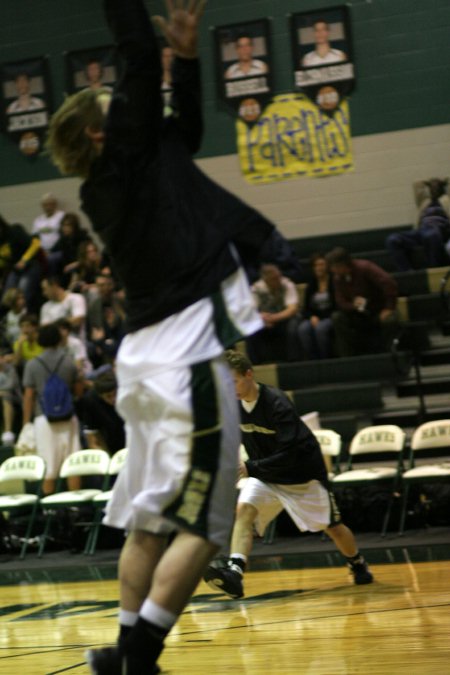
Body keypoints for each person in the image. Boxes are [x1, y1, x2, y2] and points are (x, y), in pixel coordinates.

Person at [46, 1, 299, 673]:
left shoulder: (130, 172)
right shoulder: (123, 158)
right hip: (186, 357)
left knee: (150, 523)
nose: (133, 108)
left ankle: (128, 647)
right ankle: (136, 654)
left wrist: (186, 56)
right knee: (208, 526)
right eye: (119, 108)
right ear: (103, 133)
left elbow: (182, 130)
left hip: (146, 360)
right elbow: (133, 53)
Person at [204, 350, 373, 599]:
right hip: (265, 474)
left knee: (332, 527)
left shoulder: (277, 403)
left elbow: (290, 453)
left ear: (249, 374)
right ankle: (235, 575)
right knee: (244, 511)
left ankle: (357, 562)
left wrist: (251, 468)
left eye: (234, 381)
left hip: (301, 474)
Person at [21, 322, 82, 495]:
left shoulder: (32, 364)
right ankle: (75, 508)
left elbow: (29, 396)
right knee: (72, 463)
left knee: (48, 466)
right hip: (68, 416)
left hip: (43, 418)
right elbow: (77, 391)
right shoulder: (69, 361)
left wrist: (26, 422)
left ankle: (50, 512)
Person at [326, 247, 399, 357]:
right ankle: (348, 358)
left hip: (378, 310)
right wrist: (353, 306)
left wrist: (389, 307)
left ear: (342, 265)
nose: (332, 270)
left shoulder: (365, 268)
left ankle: (389, 356)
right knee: (337, 317)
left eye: (333, 267)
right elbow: (340, 301)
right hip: (357, 313)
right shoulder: (337, 278)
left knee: (390, 320)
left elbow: (389, 284)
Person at [385, 178, 450, 271]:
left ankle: (432, 271)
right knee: (392, 239)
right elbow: (417, 186)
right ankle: (407, 272)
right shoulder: (425, 202)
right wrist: (427, 183)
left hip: (439, 229)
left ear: (442, 188)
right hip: (421, 230)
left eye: (436, 187)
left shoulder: (446, 200)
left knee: (431, 235)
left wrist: (445, 181)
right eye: (431, 187)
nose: (433, 189)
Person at [247, 263, 301, 364]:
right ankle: (255, 365)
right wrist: (261, 318)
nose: (278, 280)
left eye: (279, 276)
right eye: (274, 278)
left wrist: (273, 318)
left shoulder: (287, 284)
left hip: (285, 318)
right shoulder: (256, 289)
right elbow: (251, 311)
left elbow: (292, 309)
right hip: (265, 320)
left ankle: (293, 361)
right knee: (251, 329)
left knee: (292, 328)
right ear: (266, 280)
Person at [77, 368, 125, 455]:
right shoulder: (91, 401)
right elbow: (91, 437)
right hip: (110, 440)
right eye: (108, 396)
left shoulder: (126, 393)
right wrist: (105, 458)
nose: (113, 399)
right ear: (100, 396)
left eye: (115, 394)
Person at [0, 214, 43, 312]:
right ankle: (9, 318)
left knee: (22, 293)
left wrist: (24, 259)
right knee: (7, 295)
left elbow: (35, 243)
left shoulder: (14, 231)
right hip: (15, 269)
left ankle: (23, 315)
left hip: (31, 265)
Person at [298, 253, 335, 359]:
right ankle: (312, 359)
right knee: (303, 328)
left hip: (330, 316)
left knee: (320, 329)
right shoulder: (311, 284)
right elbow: (306, 308)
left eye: (322, 264)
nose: (319, 268)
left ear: (327, 266)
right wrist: (312, 317)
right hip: (315, 317)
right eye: (316, 265)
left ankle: (325, 358)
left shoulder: (334, 281)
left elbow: (337, 304)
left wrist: (323, 317)